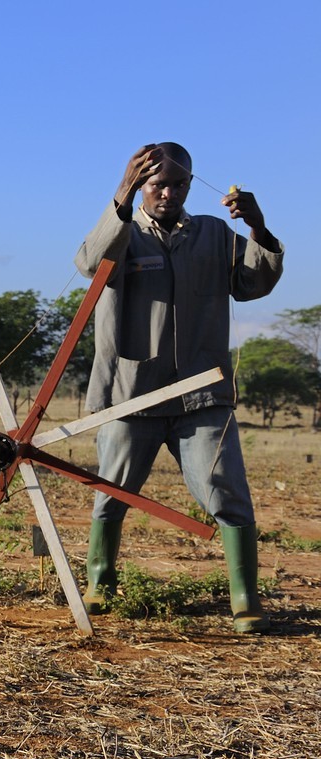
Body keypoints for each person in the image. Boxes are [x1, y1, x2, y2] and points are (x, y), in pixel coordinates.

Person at [76, 142, 284, 633]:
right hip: (131, 393)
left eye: (178, 185)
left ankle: (244, 599)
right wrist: (120, 197)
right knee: (113, 491)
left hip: (201, 395)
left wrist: (257, 227)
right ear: (139, 184)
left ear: (191, 184)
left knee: (226, 489)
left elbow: (254, 282)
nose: (168, 193)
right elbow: (90, 264)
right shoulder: (122, 231)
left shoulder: (214, 234)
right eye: (157, 184)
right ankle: (100, 582)